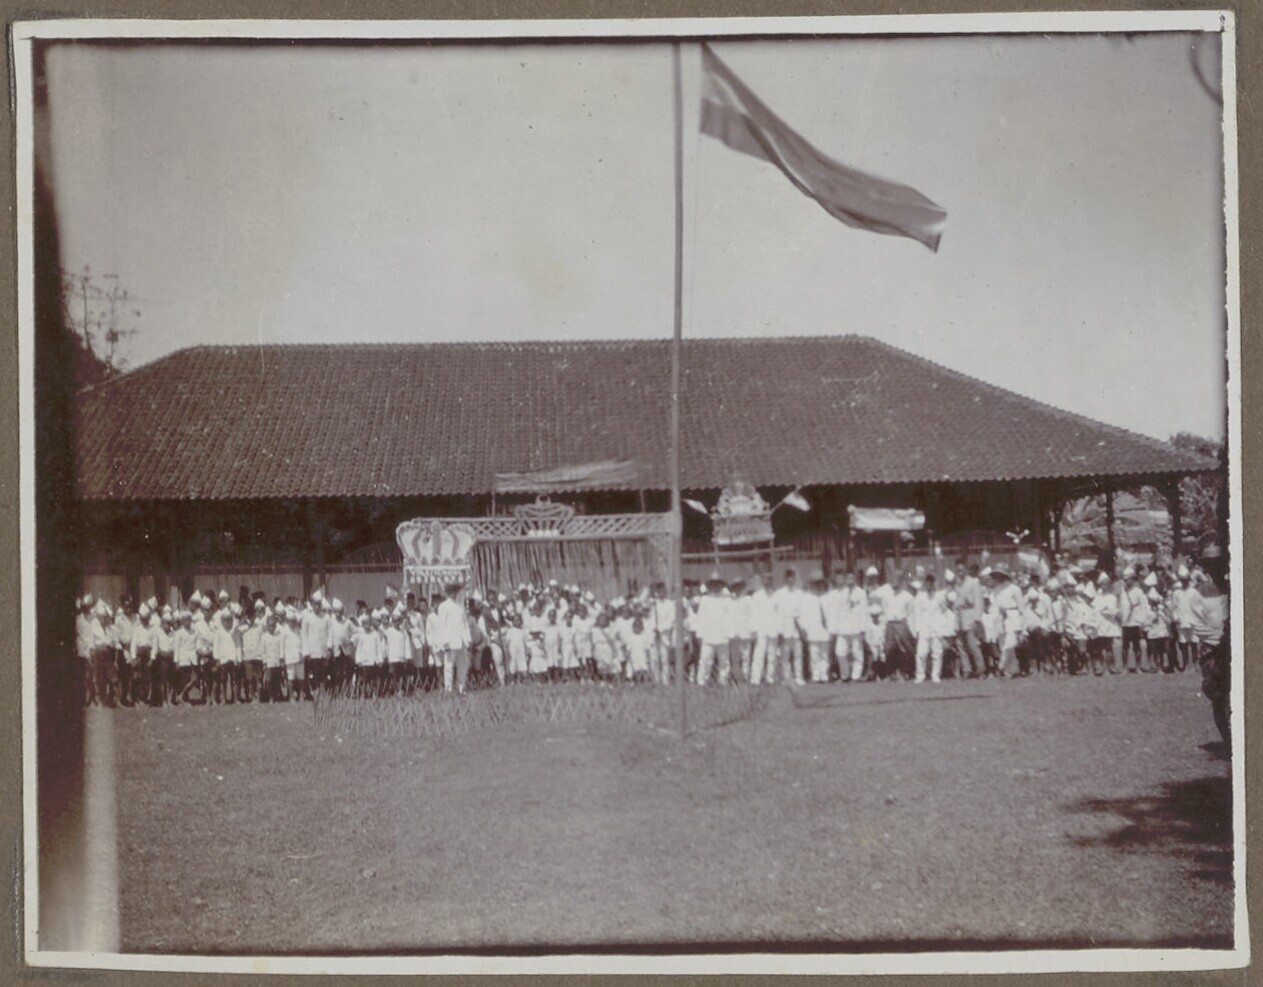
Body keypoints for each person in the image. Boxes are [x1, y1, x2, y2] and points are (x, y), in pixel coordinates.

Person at [694, 574, 734, 686]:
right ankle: (702, 682)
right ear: (710, 586)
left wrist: (730, 634)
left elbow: (730, 618)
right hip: (708, 635)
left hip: (722, 635)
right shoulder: (705, 600)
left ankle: (723, 681)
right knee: (705, 660)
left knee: (724, 661)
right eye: (713, 584)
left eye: (718, 584)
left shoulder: (727, 600)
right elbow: (701, 618)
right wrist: (700, 634)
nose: (716, 587)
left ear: (721, 586)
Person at [435, 580, 473, 694]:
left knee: (463, 664)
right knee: (449, 665)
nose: (454, 593)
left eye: (455, 591)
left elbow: (465, 624)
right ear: (447, 592)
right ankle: (448, 689)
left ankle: (461, 687)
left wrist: (468, 639)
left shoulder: (461, 606)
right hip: (450, 641)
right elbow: (441, 626)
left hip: (462, 640)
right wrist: (445, 642)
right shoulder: (443, 606)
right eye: (451, 591)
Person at [772, 568, 806, 687]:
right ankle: (785, 678)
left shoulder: (800, 593)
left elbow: (803, 612)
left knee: (798, 653)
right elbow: (776, 613)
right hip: (784, 626)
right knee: (785, 655)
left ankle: (798, 677)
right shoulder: (779, 594)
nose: (790, 579)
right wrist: (779, 630)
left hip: (796, 626)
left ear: (795, 578)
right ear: (785, 579)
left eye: (792, 577)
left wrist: (802, 628)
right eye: (788, 577)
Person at [953, 562, 986, 679]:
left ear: (966, 570)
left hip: (970, 614)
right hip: (959, 616)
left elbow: (979, 602)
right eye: (958, 570)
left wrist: (976, 618)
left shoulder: (973, 582)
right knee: (961, 645)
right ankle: (967, 670)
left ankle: (981, 670)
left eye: (962, 570)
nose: (960, 572)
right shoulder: (956, 583)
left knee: (973, 645)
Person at [798, 570, 831, 684]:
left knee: (824, 654)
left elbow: (832, 615)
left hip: (825, 629)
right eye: (816, 583)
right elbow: (803, 615)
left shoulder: (827, 597)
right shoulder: (807, 598)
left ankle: (824, 675)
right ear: (811, 584)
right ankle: (816, 675)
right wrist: (804, 629)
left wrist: (832, 629)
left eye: (820, 583)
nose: (818, 585)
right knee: (814, 653)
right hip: (812, 630)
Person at [747, 572, 780, 685]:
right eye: (766, 579)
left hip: (773, 629)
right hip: (760, 629)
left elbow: (779, 614)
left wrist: (779, 629)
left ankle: (770, 678)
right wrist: (753, 630)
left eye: (770, 579)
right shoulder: (757, 596)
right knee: (759, 655)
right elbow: (753, 614)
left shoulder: (776, 595)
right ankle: (755, 678)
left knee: (772, 655)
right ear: (763, 581)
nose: (768, 581)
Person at [882, 574, 916, 680]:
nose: (893, 582)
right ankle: (889, 673)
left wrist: (912, 629)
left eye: (895, 580)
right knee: (888, 649)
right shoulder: (887, 596)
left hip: (902, 623)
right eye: (891, 580)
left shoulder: (908, 597)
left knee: (906, 648)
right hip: (890, 623)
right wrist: (885, 626)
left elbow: (911, 613)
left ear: (901, 581)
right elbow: (885, 611)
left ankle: (907, 672)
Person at [1120, 568, 1152, 673]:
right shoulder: (1122, 592)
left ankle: (1138, 666)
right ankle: (1125, 667)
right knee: (1125, 647)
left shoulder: (1138, 592)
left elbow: (1143, 607)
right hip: (1125, 623)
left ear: (1133, 580)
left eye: (1129, 579)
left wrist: (1142, 621)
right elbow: (1121, 607)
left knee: (1136, 646)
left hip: (1135, 622)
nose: (1127, 581)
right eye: (1125, 580)